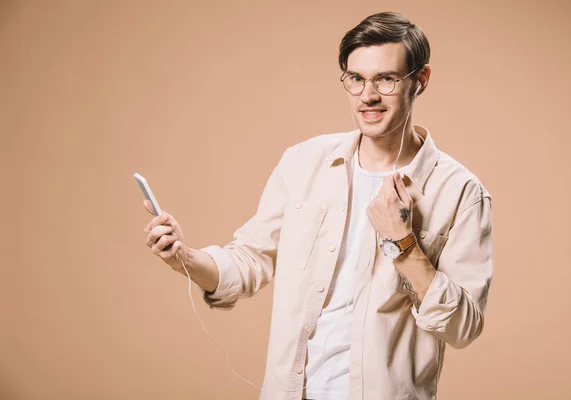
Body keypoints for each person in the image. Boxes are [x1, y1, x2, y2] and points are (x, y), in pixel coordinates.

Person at [143, 11, 493, 400]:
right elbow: (248, 261)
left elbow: (463, 326)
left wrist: (403, 243)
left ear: (420, 81)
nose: (368, 96)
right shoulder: (303, 163)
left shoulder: (460, 192)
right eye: (356, 79)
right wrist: (184, 259)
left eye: (386, 79)